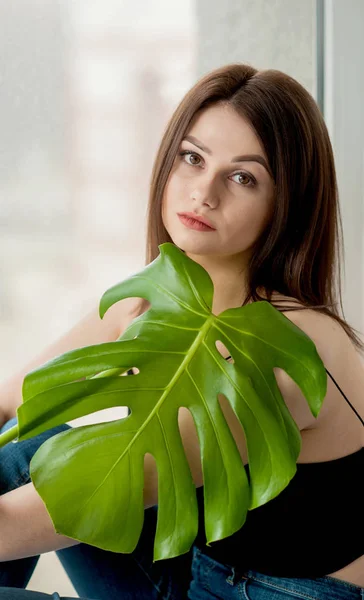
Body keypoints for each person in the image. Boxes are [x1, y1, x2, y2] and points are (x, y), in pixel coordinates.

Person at [0, 62, 363, 600]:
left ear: (286, 205)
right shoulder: (163, 293)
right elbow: (15, 399)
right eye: (192, 158)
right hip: (200, 570)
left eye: (243, 177)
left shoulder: (277, 351)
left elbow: (38, 517)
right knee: (27, 454)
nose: (203, 192)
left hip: (272, 592)